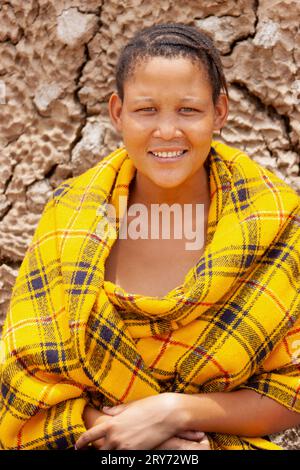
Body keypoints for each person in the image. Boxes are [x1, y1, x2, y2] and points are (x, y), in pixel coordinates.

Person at [0, 22, 300, 451]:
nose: (166, 131)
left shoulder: (271, 220)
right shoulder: (70, 218)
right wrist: (119, 431)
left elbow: (293, 390)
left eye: (188, 110)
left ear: (220, 112)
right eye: (146, 110)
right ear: (117, 112)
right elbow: (21, 373)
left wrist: (176, 413)